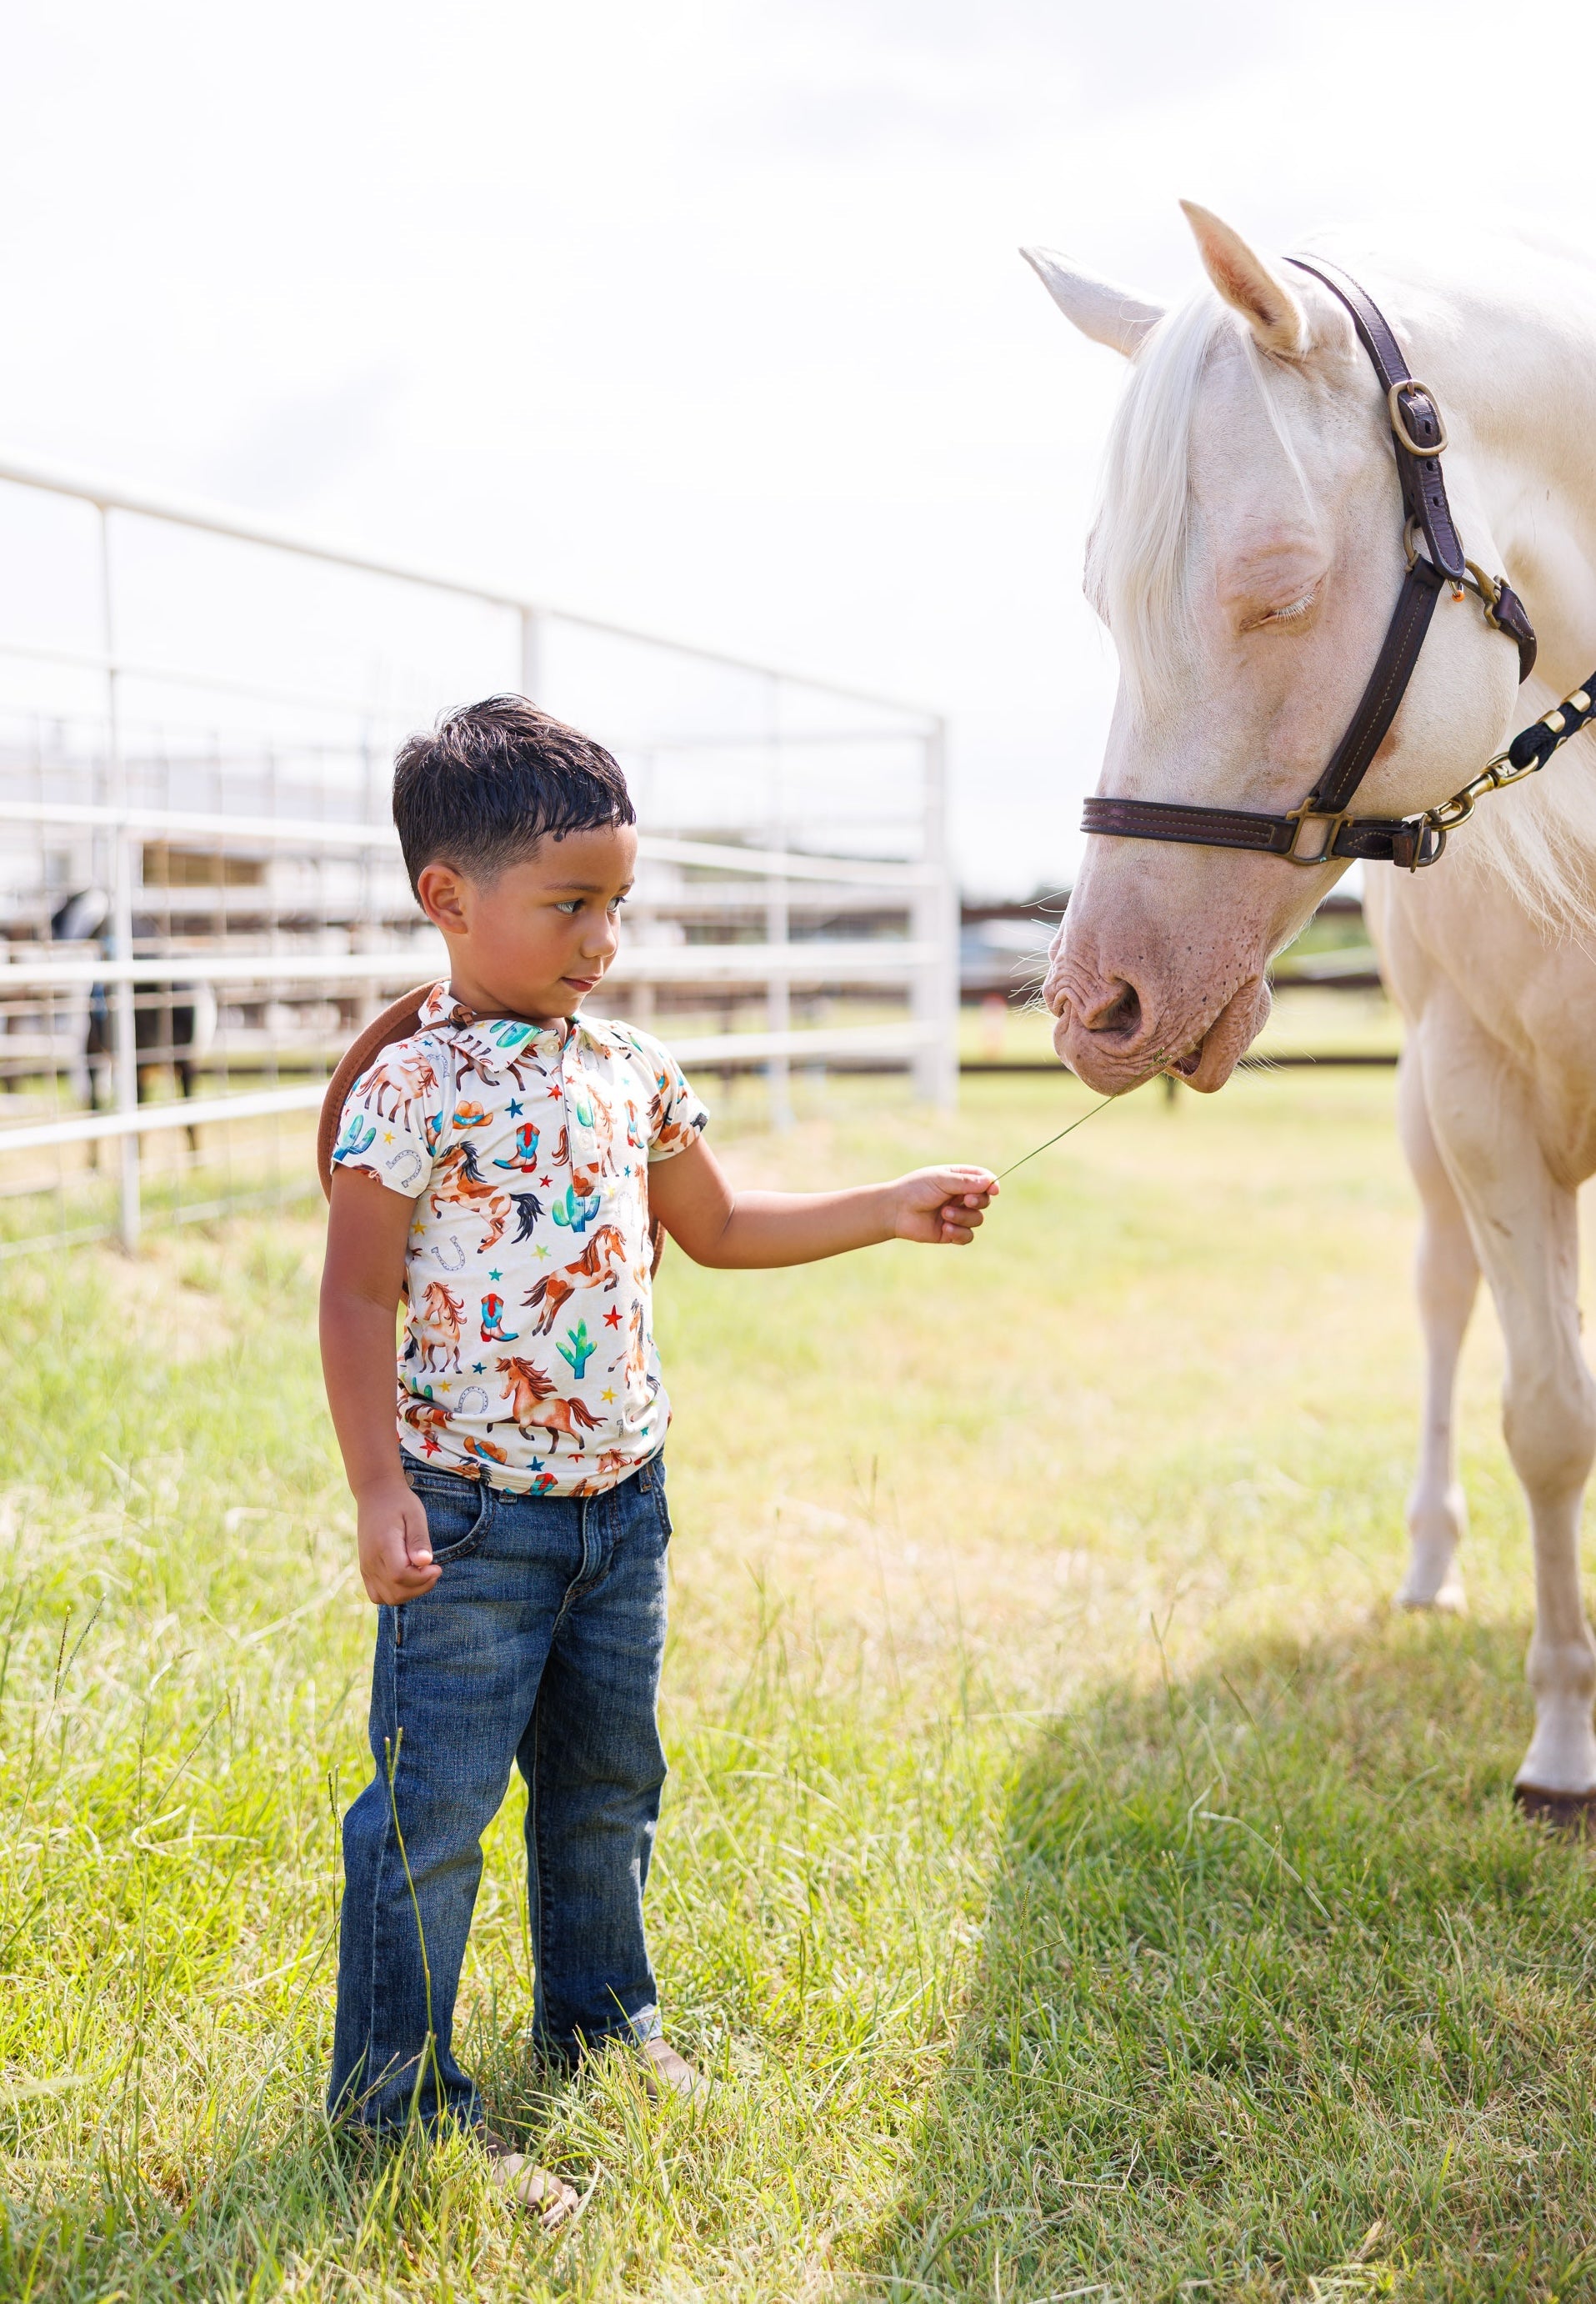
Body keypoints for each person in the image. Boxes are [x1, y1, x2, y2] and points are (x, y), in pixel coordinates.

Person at [318, 694, 998, 2224]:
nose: (602, 939)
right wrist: (379, 1487)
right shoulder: (410, 1092)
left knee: (610, 1779)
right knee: (433, 1808)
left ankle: (601, 2018)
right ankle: (397, 2098)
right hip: (471, 1522)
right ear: (449, 898)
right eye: (570, 905)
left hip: (623, 1509)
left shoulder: (631, 1066)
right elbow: (355, 1293)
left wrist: (884, 1205)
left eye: (617, 904)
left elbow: (721, 1227)